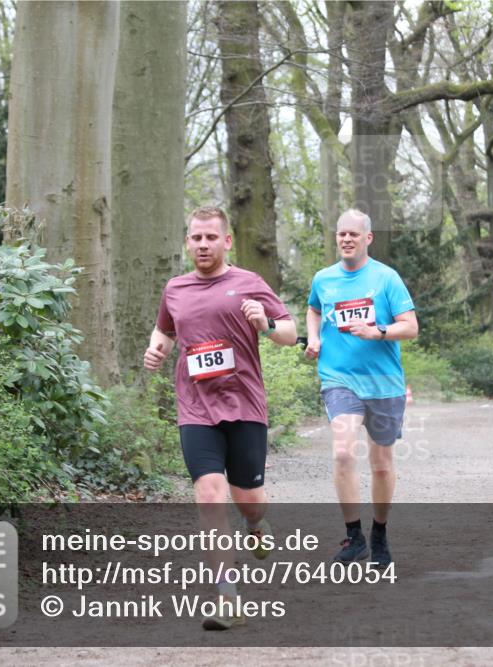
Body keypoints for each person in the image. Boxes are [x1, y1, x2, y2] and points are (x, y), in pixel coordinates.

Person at [144, 205, 297, 630]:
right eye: (196, 238)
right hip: (196, 409)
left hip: (245, 405)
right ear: (187, 242)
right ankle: (228, 598)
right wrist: (157, 347)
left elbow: (288, 332)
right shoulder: (175, 288)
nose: (203, 244)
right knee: (210, 495)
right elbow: (165, 330)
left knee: (247, 498)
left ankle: (257, 523)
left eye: (212, 237)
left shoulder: (248, 282)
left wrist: (265, 323)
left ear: (227, 241)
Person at [304, 208, 418, 569]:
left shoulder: (387, 278)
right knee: (342, 452)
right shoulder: (323, 279)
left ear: (367, 238)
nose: (347, 239)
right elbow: (313, 310)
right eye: (341, 234)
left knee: (381, 464)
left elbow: (411, 326)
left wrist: (378, 331)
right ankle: (354, 538)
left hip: (384, 382)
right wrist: (313, 338)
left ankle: (379, 534)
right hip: (339, 379)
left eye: (354, 234)